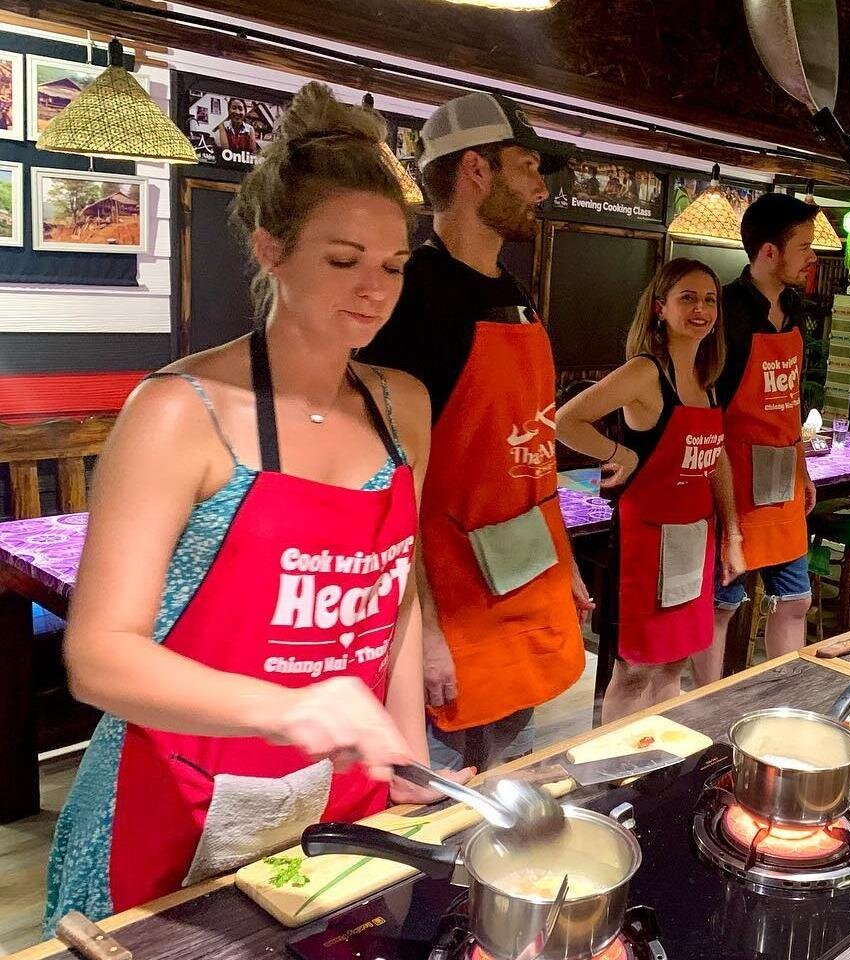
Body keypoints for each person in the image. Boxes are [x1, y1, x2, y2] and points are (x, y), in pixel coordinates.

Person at [45, 83, 462, 930]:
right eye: (342, 261)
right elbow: (98, 658)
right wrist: (290, 707)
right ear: (271, 249)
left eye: (391, 267)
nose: (373, 290)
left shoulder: (402, 405)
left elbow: (395, 595)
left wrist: (407, 757)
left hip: (338, 791)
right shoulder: (179, 411)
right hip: (179, 791)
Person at [359, 92, 587, 772]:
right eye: (529, 167)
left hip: (523, 590)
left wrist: (567, 568)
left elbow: (532, 452)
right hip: (452, 615)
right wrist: (423, 633)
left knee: (515, 782)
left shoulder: (511, 292)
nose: (541, 189)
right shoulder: (415, 299)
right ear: (476, 171)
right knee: (444, 807)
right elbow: (388, 488)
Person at [555, 259, 743, 720]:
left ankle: (659, 755)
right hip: (645, 544)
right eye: (687, 298)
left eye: (710, 300)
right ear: (660, 307)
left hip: (693, 541)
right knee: (635, 671)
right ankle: (619, 759)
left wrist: (733, 533)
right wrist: (619, 453)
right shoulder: (645, 371)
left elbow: (716, 457)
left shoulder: (706, 379)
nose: (701, 310)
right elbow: (565, 421)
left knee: (673, 663)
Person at [701, 193, 819, 685]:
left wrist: (803, 470)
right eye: (804, 246)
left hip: (784, 480)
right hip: (733, 478)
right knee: (723, 604)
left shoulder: (794, 308)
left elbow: (791, 401)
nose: (813, 256)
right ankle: (708, 703)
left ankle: (781, 697)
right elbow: (707, 412)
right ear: (769, 252)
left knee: (795, 599)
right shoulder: (725, 312)